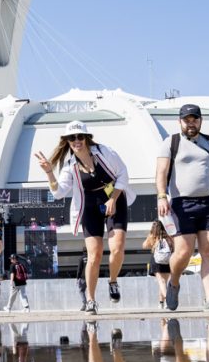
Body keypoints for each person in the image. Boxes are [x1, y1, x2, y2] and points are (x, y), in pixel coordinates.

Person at [34, 120, 136, 314]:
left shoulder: (104, 151)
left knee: (117, 248)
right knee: (94, 255)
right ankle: (91, 299)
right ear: (67, 141)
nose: (76, 140)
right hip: (89, 206)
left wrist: (113, 199)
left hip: (114, 198)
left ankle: (113, 281)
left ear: (87, 137)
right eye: (72, 138)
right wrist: (49, 172)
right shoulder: (69, 165)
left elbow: (123, 173)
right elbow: (58, 192)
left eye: (80, 136)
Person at [155, 103, 209, 312]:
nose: (191, 123)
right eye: (186, 120)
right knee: (184, 252)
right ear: (179, 121)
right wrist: (162, 196)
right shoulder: (171, 143)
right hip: (182, 204)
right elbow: (161, 172)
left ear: (200, 120)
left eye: (194, 119)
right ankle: (175, 281)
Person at [143, 220, 173, 310]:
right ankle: (161, 303)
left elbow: (144, 245)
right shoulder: (168, 236)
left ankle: (168, 301)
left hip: (156, 261)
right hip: (167, 261)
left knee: (161, 283)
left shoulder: (152, 236)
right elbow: (173, 246)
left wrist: (152, 241)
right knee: (164, 283)